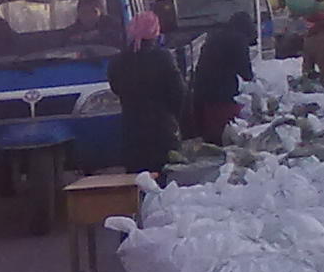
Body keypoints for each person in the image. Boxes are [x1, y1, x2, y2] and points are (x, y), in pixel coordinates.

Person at [108, 10, 185, 175]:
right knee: (163, 184)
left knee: (138, 183)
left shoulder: (118, 61)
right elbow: (178, 93)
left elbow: (116, 88)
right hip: (161, 132)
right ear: (155, 32)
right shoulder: (163, 58)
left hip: (132, 132)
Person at [190, 11, 255, 144]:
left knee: (209, 137)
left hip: (201, 94)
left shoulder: (216, 36)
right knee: (224, 136)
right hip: (221, 96)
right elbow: (246, 73)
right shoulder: (238, 40)